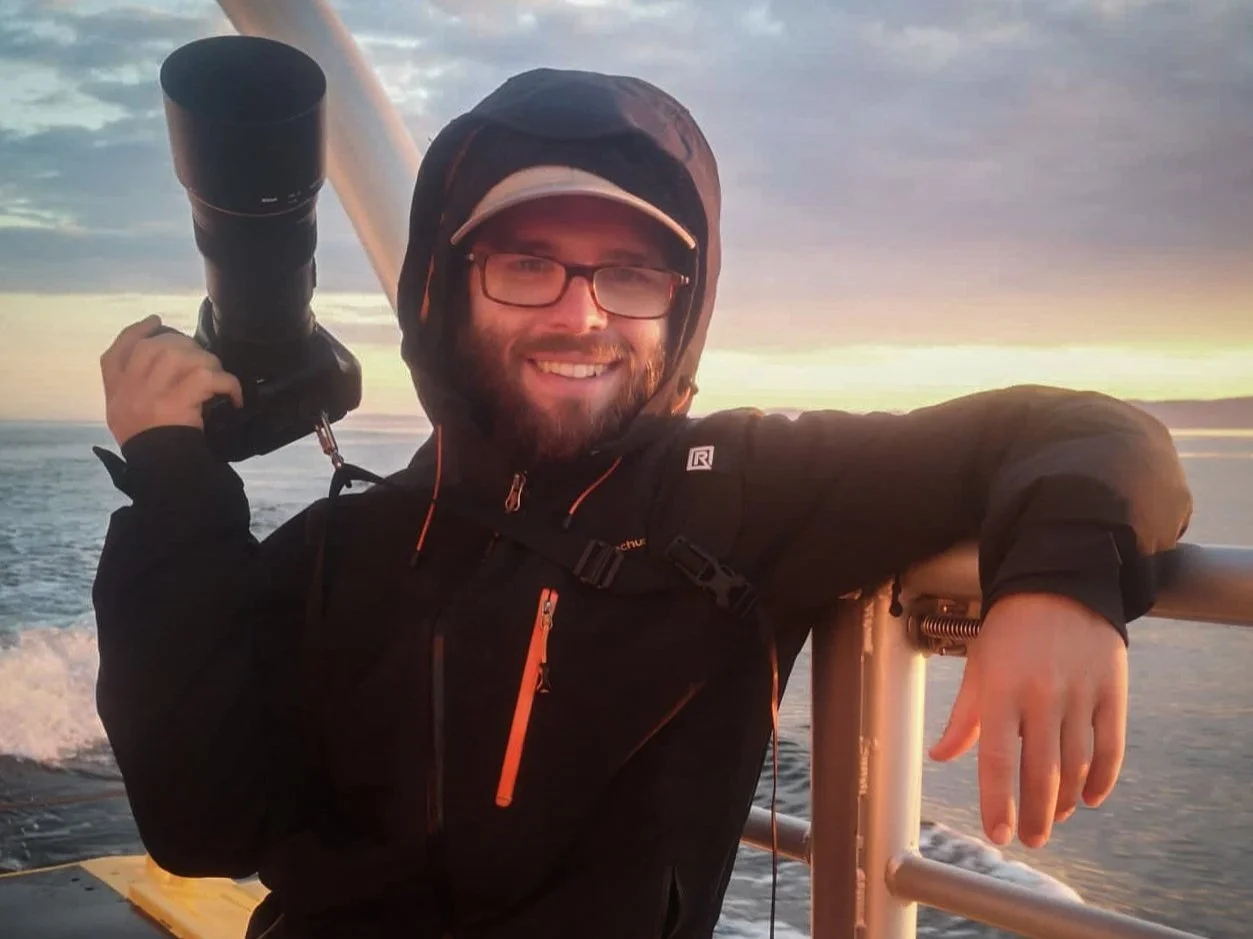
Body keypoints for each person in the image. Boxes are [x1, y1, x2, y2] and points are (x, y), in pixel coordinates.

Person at [94, 67, 1193, 939]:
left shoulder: (748, 493)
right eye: (527, 264)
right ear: (444, 283)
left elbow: (1087, 429)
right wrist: (177, 496)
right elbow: (200, 825)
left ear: (682, 305)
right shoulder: (339, 547)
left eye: (631, 275)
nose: (582, 315)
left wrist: (1058, 585)